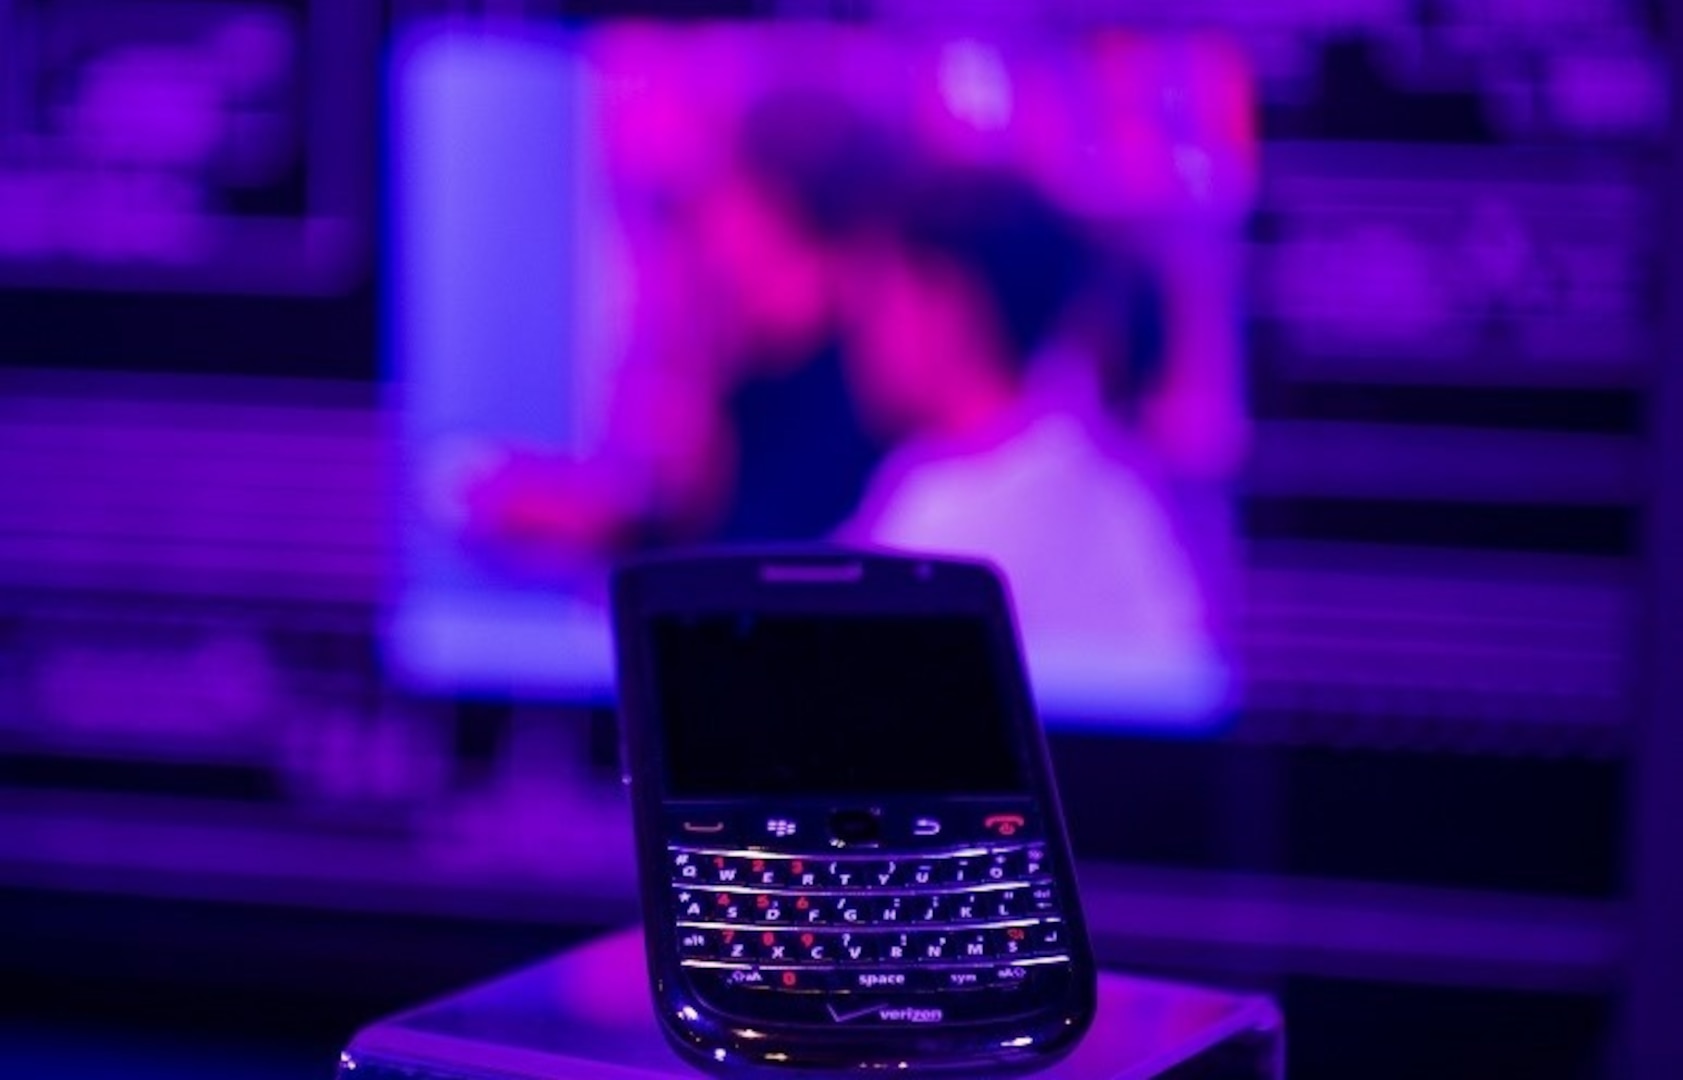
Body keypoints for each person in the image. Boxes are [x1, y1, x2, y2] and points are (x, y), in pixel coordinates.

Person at [837, 166, 1226, 718]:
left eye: (880, 297)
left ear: (949, 308)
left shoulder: (961, 513)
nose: (857, 326)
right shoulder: (1094, 471)